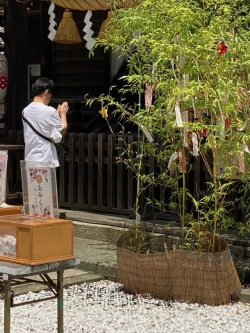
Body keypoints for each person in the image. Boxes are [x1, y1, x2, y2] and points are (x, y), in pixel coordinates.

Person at [22, 77, 69, 167]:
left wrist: (56, 114)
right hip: (45, 158)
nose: (50, 98)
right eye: (51, 95)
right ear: (46, 92)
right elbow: (63, 129)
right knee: (46, 181)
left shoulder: (25, 111)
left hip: (30, 158)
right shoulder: (50, 111)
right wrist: (63, 114)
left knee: (32, 181)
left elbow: (41, 125)